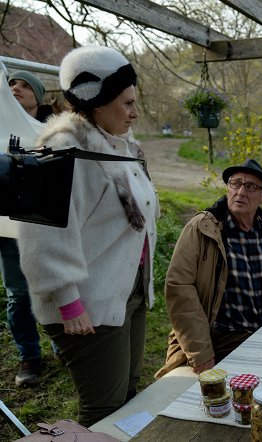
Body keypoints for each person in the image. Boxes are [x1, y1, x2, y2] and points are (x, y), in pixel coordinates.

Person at [17, 45, 158, 426]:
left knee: (128, 396)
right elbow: (41, 234)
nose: (135, 112)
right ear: (97, 103)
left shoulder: (121, 146)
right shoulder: (64, 150)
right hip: (87, 304)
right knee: (104, 408)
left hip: (125, 290)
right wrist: (68, 300)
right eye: (126, 103)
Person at [156, 159, 262, 378]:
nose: (241, 192)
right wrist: (201, 352)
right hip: (226, 334)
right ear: (228, 188)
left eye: (251, 187)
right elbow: (179, 286)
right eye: (236, 183)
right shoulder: (204, 227)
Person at [1, 70, 54, 386]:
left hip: (43, 225)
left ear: (38, 95)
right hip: (8, 230)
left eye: (23, 85)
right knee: (19, 294)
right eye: (11, 84)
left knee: (50, 287)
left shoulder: (52, 132)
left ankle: (63, 344)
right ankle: (29, 356)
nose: (15, 88)